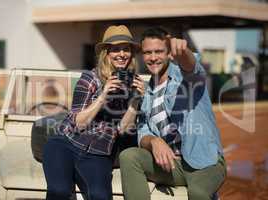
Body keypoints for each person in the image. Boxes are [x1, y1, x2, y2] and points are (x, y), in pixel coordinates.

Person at [119, 27, 226, 200]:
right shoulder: (147, 94)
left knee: (197, 193)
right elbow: (142, 133)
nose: (153, 57)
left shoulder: (185, 78)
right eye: (147, 52)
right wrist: (154, 141)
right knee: (129, 156)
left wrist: (182, 51)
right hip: (172, 165)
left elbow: (192, 66)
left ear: (169, 53)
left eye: (159, 51)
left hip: (205, 162)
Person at [42, 25, 145, 200]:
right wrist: (103, 95)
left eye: (126, 49)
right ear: (106, 53)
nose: (122, 54)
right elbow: (78, 123)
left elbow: (123, 129)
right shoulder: (90, 78)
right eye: (115, 49)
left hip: (99, 153)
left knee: (100, 196)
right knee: (59, 191)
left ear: (131, 54)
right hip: (66, 144)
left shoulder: (134, 84)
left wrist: (135, 101)